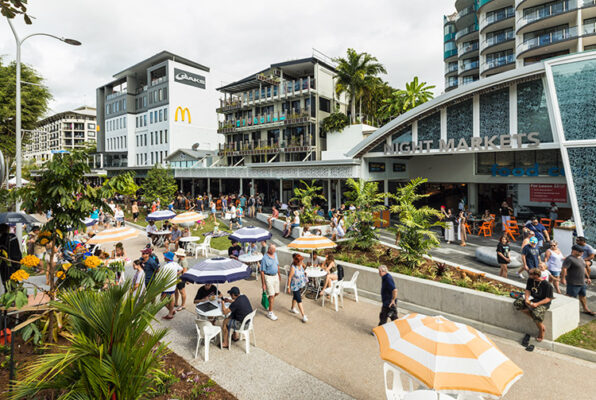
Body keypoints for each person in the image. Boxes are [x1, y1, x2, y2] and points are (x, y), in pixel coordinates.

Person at [513, 268, 553, 342]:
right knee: (517, 304)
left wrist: (537, 304)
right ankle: (537, 320)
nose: (529, 275)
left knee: (536, 314)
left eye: (531, 274)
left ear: (537, 275)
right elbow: (528, 290)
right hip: (533, 298)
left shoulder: (547, 285)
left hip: (543, 302)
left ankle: (541, 329)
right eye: (529, 273)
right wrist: (527, 299)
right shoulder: (530, 280)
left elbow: (548, 299)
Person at [561, 245, 595, 316]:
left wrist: (588, 277)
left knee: (583, 296)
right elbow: (564, 269)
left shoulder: (581, 258)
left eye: (582, 251)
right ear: (574, 251)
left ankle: (585, 309)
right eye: (580, 251)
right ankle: (567, 311)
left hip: (582, 282)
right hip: (573, 282)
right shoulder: (569, 259)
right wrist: (563, 278)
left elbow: (584, 268)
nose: (582, 253)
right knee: (570, 297)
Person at [160, 252, 183, 320]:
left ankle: (170, 312)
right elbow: (181, 269)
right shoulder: (175, 264)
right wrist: (176, 273)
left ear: (167, 258)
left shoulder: (165, 267)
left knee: (162, 299)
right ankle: (171, 312)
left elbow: (162, 277)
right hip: (173, 284)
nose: (164, 257)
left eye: (165, 257)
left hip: (166, 285)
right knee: (172, 298)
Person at [260, 244, 281, 321]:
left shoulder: (275, 254)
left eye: (275, 250)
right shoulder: (264, 258)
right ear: (269, 249)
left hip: (275, 276)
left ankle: (268, 302)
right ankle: (270, 313)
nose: (274, 252)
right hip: (268, 277)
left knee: (277, 293)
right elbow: (262, 271)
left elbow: (277, 265)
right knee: (272, 295)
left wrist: (279, 274)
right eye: (273, 250)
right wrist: (263, 284)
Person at [286, 253, 308, 323]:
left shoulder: (300, 265)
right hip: (295, 286)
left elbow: (304, 267)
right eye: (301, 261)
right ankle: (303, 315)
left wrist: (304, 269)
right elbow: (289, 278)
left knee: (295, 297)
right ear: (297, 262)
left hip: (300, 285)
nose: (302, 262)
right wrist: (288, 287)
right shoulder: (293, 268)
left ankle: (292, 308)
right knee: (299, 300)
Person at [0, 224, 22, 290]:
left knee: (5, 282)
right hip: (14, 263)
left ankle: (8, 295)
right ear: (8, 229)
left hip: (3, 265)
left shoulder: (1, 239)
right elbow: (17, 251)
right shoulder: (13, 237)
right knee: (14, 282)